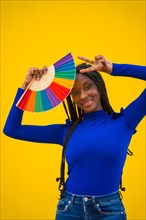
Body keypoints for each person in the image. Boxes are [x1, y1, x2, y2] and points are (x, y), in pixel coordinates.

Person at [3, 55, 146, 220]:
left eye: (88, 87)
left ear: (99, 86)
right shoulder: (66, 131)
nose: (83, 96)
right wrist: (27, 86)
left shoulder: (125, 122)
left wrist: (114, 69)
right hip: (70, 210)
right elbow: (12, 129)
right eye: (75, 93)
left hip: (109, 212)